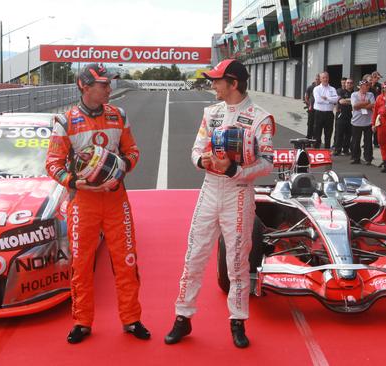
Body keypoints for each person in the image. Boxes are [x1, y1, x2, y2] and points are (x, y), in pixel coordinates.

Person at [164, 59, 274, 348]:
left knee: (237, 263)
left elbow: (267, 163)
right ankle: (182, 317)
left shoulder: (261, 118)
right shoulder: (210, 113)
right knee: (194, 255)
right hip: (210, 189)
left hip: (238, 192)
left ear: (233, 83)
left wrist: (234, 171)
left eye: (217, 80)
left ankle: (237, 321)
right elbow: (196, 150)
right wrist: (203, 160)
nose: (212, 84)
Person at [45, 63, 149, 344]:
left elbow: (133, 151)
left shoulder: (119, 115)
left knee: (126, 261)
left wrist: (120, 168)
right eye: (103, 84)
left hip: (116, 198)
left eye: (109, 83)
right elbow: (52, 164)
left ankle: (131, 319)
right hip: (83, 202)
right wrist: (74, 182)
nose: (108, 88)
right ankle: (82, 321)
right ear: (84, 86)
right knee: (81, 263)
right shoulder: (65, 121)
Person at [350, 80, 375, 165]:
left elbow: (372, 105)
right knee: (356, 141)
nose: (368, 87)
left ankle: (368, 158)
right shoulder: (354, 94)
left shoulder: (370, 94)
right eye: (366, 85)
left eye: (368, 85)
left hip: (368, 122)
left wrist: (361, 105)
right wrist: (366, 103)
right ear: (360, 87)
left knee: (368, 141)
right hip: (356, 122)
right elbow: (355, 106)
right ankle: (355, 158)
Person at [312, 71, 339, 148]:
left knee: (328, 134)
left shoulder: (332, 89)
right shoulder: (316, 89)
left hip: (329, 114)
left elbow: (336, 100)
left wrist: (326, 98)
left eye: (326, 77)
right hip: (318, 114)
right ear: (320, 79)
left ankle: (326, 152)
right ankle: (316, 152)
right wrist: (330, 100)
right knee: (317, 134)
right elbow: (318, 100)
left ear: (328, 78)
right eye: (323, 77)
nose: (325, 79)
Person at [372, 81, 386, 165]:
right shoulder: (379, 98)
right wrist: (373, 124)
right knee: (382, 141)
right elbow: (375, 112)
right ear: (383, 88)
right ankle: (385, 160)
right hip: (381, 121)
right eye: (385, 87)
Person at [333, 78, 354, 156]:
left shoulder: (354, 93)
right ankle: (337, 150)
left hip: (351, 116)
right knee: (339, 134)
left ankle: (345, 150)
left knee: (348, 134)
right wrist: (351, 101)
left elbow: (356, 102)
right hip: (341, 116)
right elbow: (341, 101)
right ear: (345, 84)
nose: (349, 84)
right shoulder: (340, 91)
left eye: (351, 83)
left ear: (353, 84)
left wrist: (347, 100)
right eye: (348, 83)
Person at [304, 74, 320, 139]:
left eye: (319, 79)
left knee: (317, 125)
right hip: (311, 110)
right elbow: (306, 97)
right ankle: (308, 138)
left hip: (319, 110)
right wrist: (309, 105)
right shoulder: (310, 87)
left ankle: (315, 139)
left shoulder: (321, 88)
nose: (317, 81)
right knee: (310, 124)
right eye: (316, 79)